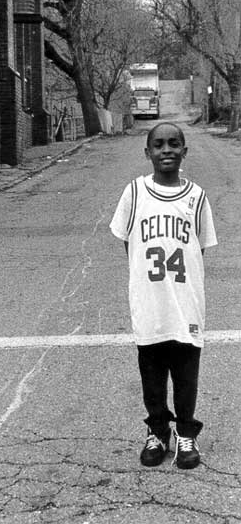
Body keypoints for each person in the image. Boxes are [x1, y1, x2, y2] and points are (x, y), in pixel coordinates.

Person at [110, 122, 217, 469]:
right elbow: (128, 242)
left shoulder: (197, 197)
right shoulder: (134, 193)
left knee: (186, 376)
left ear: (185, 151)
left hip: (185, 303)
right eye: (158, 145)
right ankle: (157, 432)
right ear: (148, 153)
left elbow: (199, 249)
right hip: (149, 302)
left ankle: (186, 433)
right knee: (152, 377)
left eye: (174, 143)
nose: (166, 150)